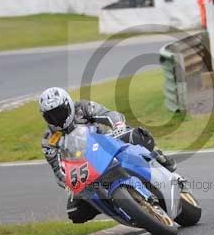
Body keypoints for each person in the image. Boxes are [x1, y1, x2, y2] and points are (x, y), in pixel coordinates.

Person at [39, 87, 176, 223]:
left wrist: (118, 126)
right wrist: (69, 182)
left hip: (107, 144)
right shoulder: (48, 140)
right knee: (75, 212)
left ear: (68, 104)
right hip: (84, 169)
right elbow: (58, 170)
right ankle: (119, 206)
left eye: (59, 112)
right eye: (51, 115)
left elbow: (108, 114)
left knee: (138, 135)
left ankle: (160, 157)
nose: (57, 118)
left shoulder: (82, 108)